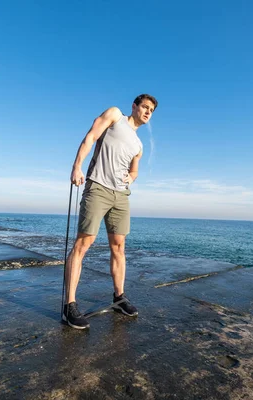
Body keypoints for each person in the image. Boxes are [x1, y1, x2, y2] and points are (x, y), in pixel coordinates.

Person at [63, 93, 158, 329]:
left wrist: (130, 178)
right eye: (144, 107)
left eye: (151, 110)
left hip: (121, 195)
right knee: (84, 244)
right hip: (98, 187)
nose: (147, 112)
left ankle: (119, 297)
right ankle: (70, 306)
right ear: (134, 106)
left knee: (119, 246)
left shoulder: (139, 145)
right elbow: (91, 136)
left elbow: (134, 171)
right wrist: (77, 166)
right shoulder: (115, 115)